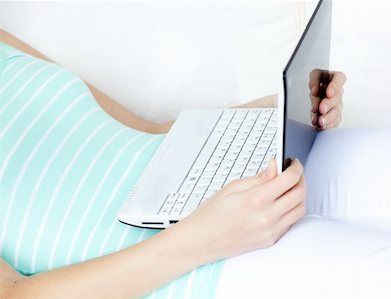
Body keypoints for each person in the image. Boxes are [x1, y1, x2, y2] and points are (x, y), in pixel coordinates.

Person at [0, 30, 345, 298]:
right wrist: (203, 237)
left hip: (228, 200)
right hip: (193, 271)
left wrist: (285, 109)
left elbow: (148, 131)